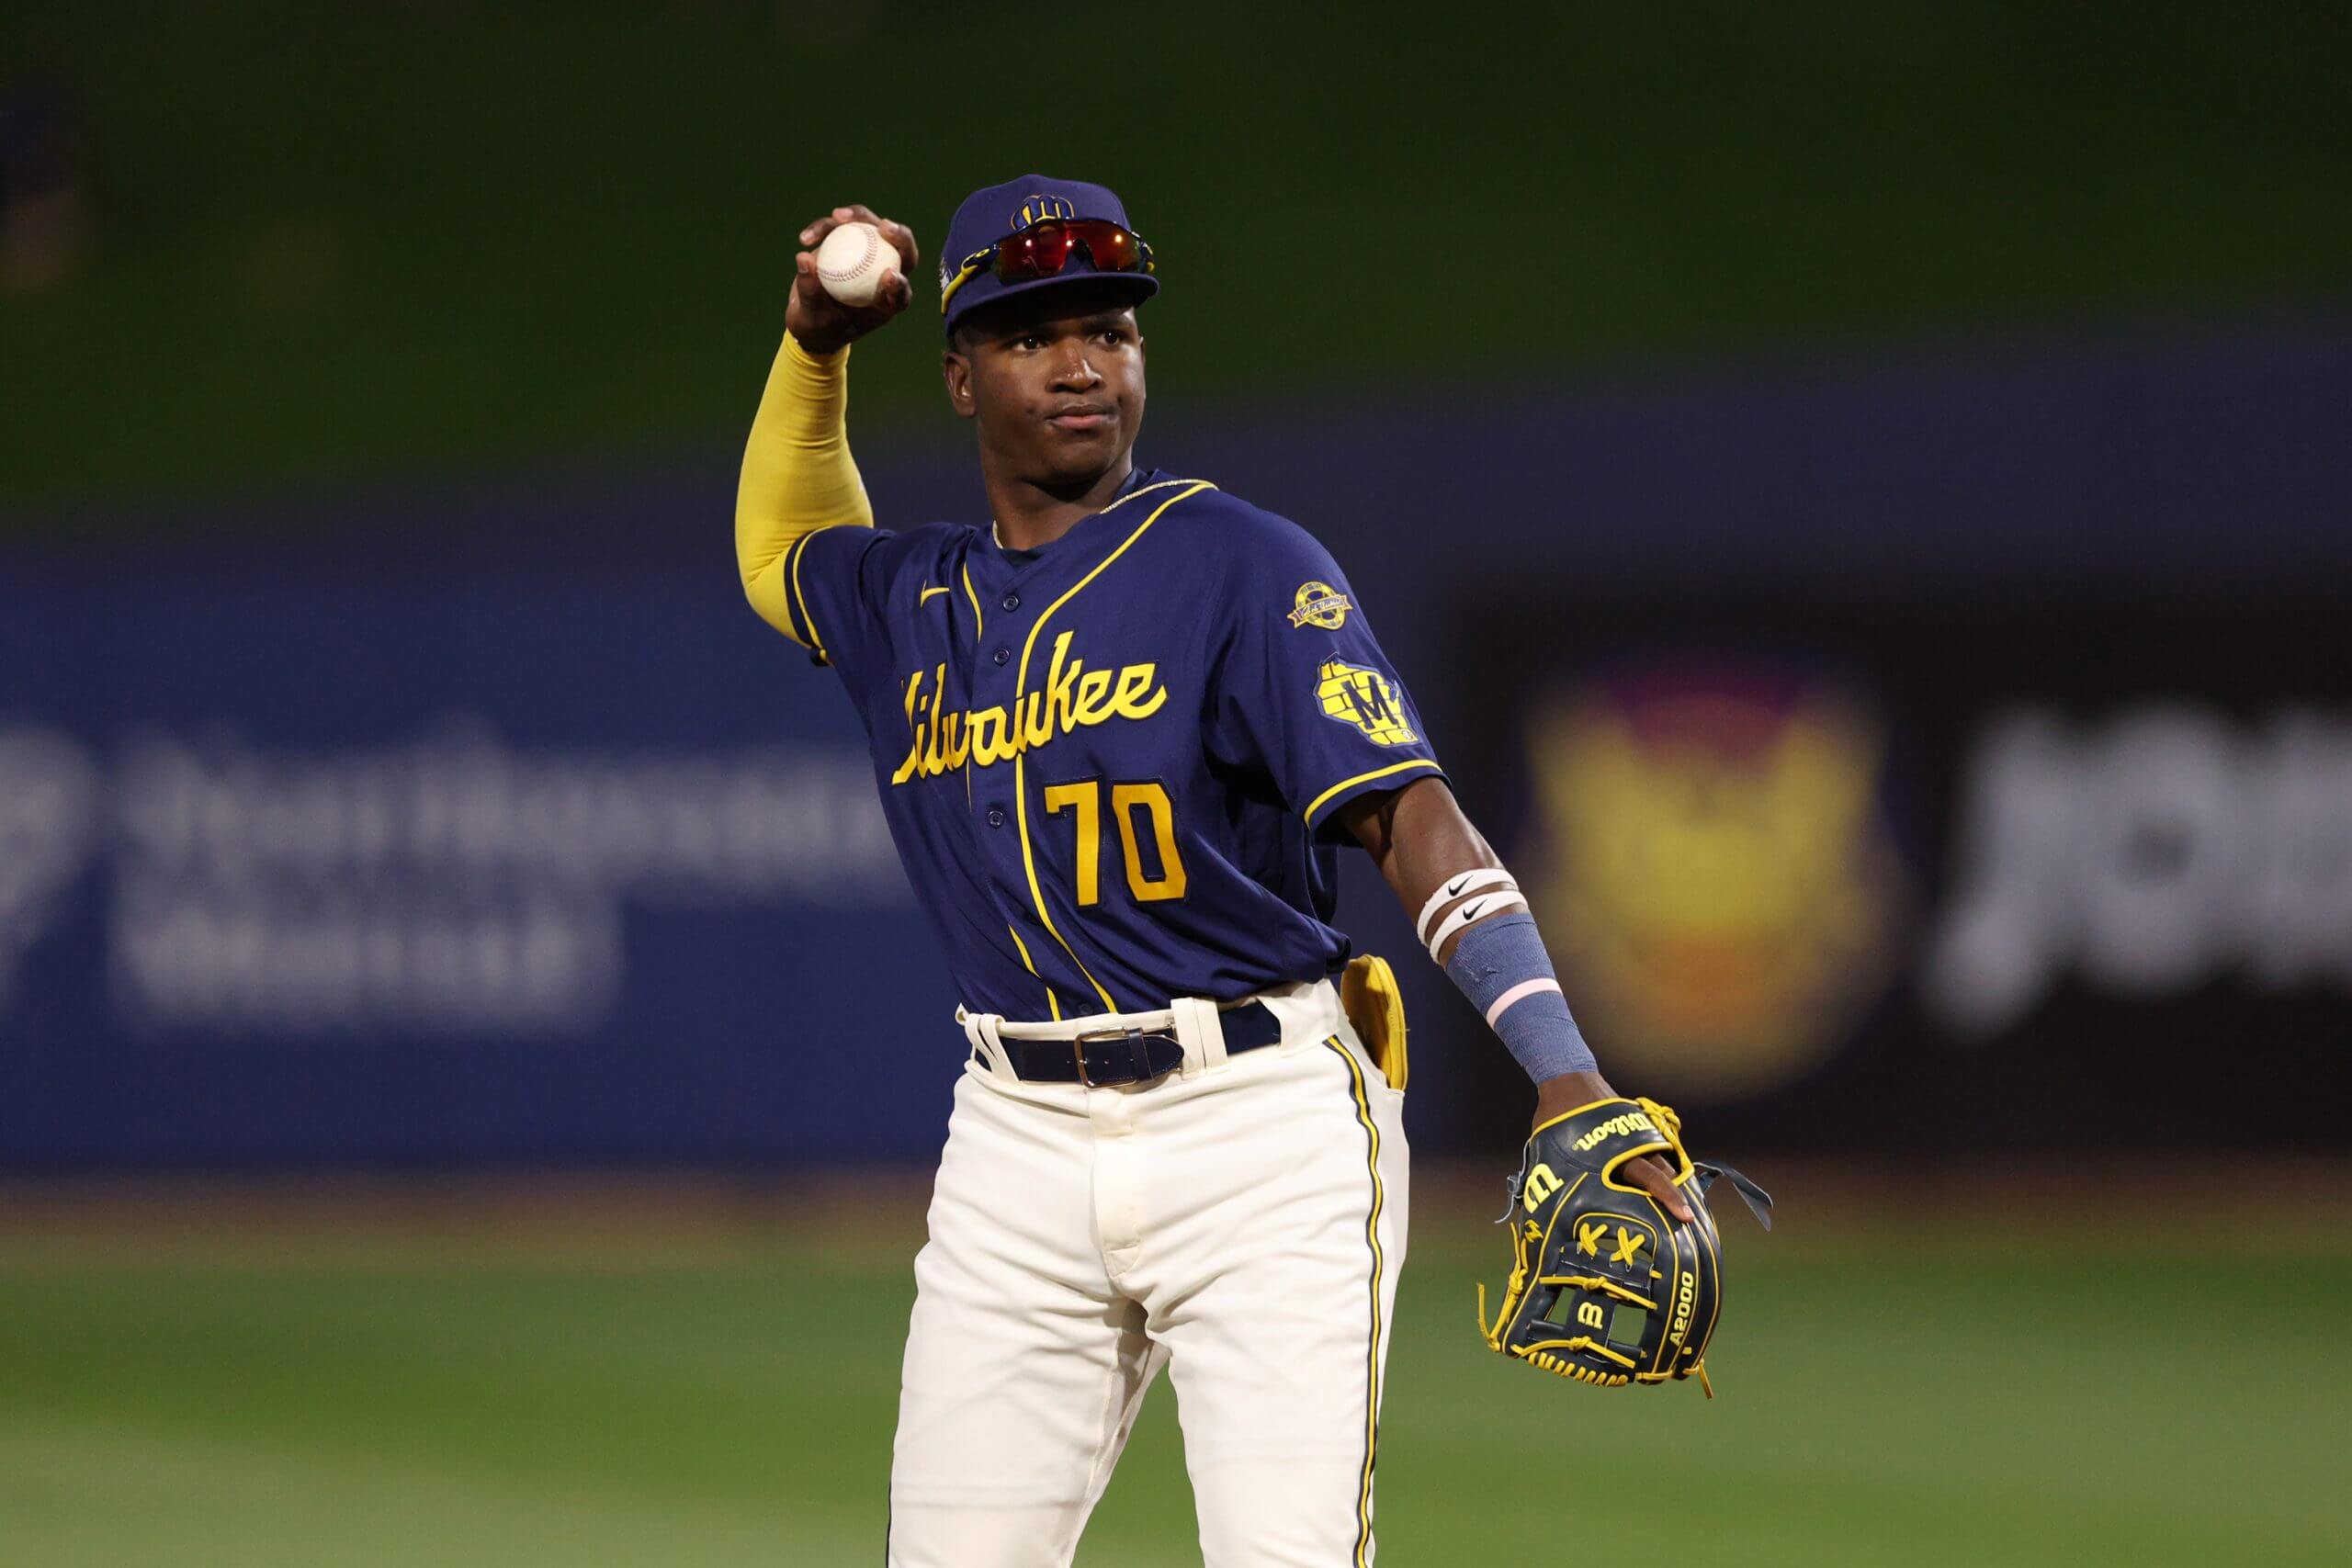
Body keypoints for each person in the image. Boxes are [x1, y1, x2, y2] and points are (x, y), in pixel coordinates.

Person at [735, 176, 1689, 1568]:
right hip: (1013, 1142)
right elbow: (781, 551)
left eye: (1110, 331)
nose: (1081, 365)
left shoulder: (1241, 565)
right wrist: (815, 347)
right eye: (1031, 336)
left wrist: (1564, 1066)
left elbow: (1410, 815)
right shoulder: (910, 600)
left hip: (1258, 1131)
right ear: (958, 377)